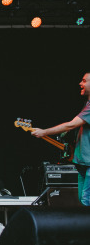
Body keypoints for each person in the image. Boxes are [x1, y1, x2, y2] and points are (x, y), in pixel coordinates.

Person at [31, 72, 90, 206]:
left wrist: (44, 132)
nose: (80, 84)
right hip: (83, 162)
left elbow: (72, 124)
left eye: (84, 81)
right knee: (83, 203)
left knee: (87, 203)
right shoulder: (87, 104)